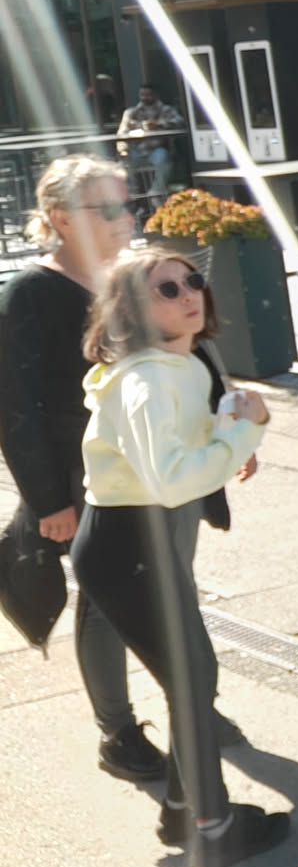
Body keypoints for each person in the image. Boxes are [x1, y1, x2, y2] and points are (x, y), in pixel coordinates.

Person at [70, 248, 281, 867]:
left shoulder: (174, 364)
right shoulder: (147, 379)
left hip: (139, 543)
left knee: (193, 675)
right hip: (127, 545)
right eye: (166, 288)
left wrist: (224, 427)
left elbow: (172, 449)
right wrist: (243, 431)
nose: (189, 292)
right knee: (190, 680)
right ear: (131, 310)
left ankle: (187, 810)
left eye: (192, 280)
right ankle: (210, 828)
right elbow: (170, 480)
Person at [0, 157, 159, 779]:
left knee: (163, 587)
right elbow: (14, 407)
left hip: (148, 465)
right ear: (61, 218)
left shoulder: (130, 276)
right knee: (104, 600)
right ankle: (117, 734)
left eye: (127, 204)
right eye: (109, 208)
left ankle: (191, 697)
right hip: (81, 475)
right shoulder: (29, 295)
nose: (127, 218)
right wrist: (47, 502)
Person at [116, 83, 184, 194]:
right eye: (142, 95)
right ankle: (132, 194)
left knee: (163, 158)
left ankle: (156, 192)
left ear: (156, 95)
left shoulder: (166, 110)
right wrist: (123, 150)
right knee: (122, 165)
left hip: (158, 149)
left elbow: (179, 122)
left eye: (148, 95)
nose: (145, 98)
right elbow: (122, 133)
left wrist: (158, 125)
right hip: (137, 150)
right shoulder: (131, 112)